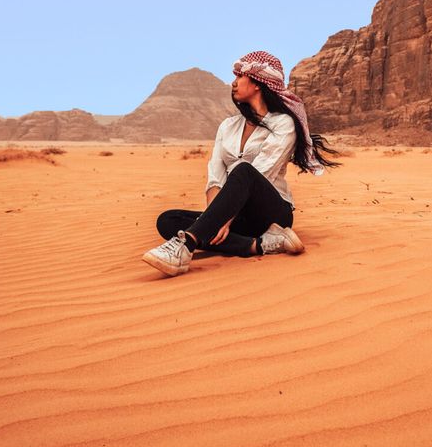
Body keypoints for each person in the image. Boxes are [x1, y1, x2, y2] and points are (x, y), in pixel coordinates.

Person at [142, 50, 340, 277]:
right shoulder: (228, 126)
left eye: (239, 77)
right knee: (167, 220)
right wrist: (214, 218)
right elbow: (215, 175)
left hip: (271, 213)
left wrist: (221, 219)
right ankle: (259, 245)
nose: (233, 83)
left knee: (244, 171)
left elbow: (262, 173)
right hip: (237, 216)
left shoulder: (283, 124)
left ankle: (185, 246)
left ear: (258, 83)